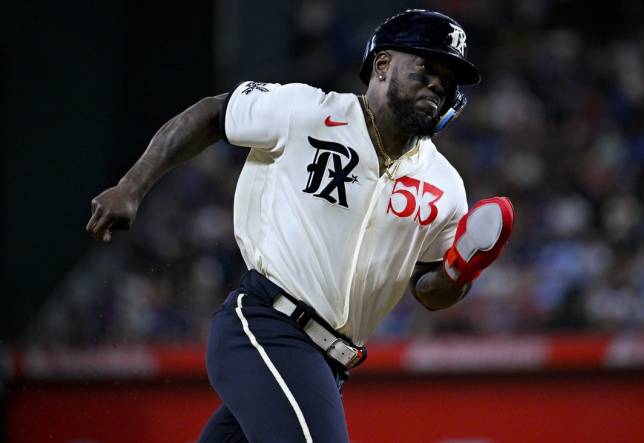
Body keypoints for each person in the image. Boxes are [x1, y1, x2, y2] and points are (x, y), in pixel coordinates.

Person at [86, 9, 514, 443]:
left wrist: (462, 269)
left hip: (330, 367)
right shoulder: (305, 111)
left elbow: (429, 290)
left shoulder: (445, 185)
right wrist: (132, 186)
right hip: (266, 323)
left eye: (449, 77)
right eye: (426, 66)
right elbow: (214, 113)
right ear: (382, 65)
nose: (439, 83)